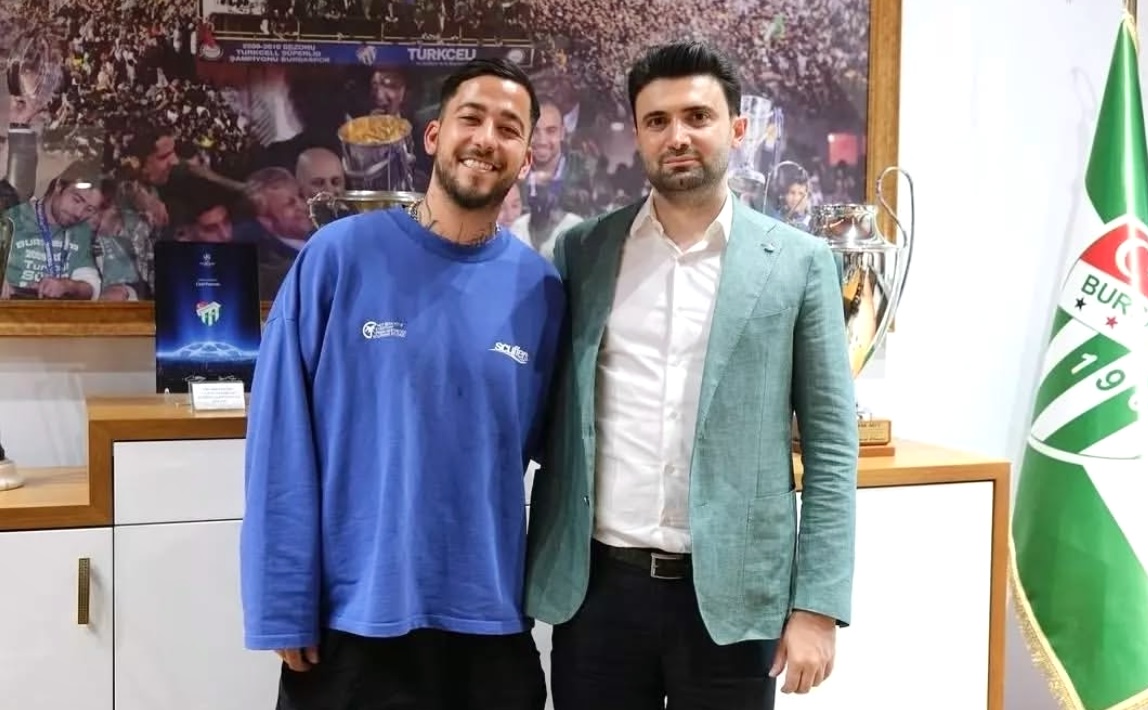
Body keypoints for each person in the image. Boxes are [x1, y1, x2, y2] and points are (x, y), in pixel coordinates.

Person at [524, 41, 859, 709]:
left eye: (697, 116)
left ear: (736, 129)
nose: (677, 136)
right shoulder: (584, 250)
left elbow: (829, 446)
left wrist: (818, 606)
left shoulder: (797, 262)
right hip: (599, 595)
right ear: (638, 134)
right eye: (657, 120)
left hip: (735, 601)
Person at [240, 57, 563, 710]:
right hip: (354, 623)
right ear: (433, 136)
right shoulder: (337, 257)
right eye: (471, 118)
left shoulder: (541, 291)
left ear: (527, 157)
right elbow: (280, 441)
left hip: (489, 624)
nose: (486, 139)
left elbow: (546, 455)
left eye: (509, 128)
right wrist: (282, 601)